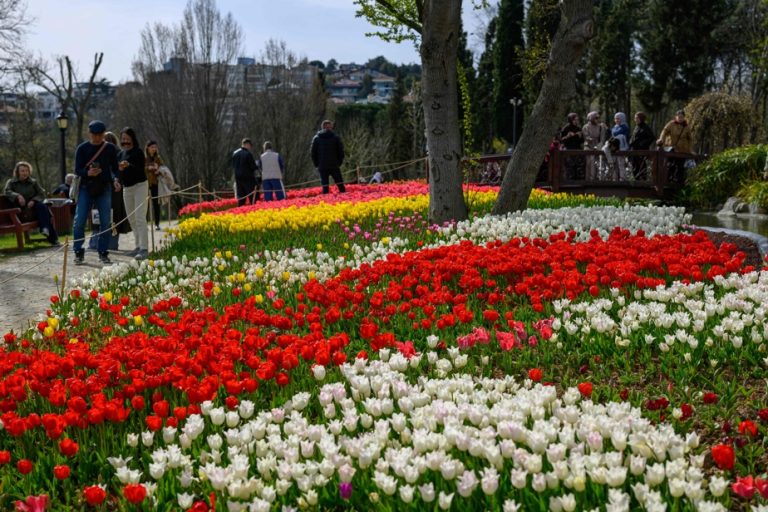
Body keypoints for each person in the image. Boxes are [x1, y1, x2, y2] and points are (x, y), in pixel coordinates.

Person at [72, 120, 121, 265]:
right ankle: (78, 251)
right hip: (86, 187)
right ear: (89, 133)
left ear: (104, 134)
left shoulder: (110, 148)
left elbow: (115, 168)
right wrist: (88, 172)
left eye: (100, 135)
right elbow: (77, 170)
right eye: (94, 135)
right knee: (79, 220)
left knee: (105, 222)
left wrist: (116, 179)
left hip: (104, 187)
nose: (97, 138)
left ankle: (103, 252)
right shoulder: (82, 149)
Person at [89, 131, 131, 252]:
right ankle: (110, 244)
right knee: (113, 219)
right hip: (114, 193)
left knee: (100, 217)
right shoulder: (121, 154)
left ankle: (95, 244)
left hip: (106, 191)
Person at [3, 161, 58, 245]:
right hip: (20, 213)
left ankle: (46, 230)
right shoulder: (11, 182)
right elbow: (7, 192)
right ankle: (51, 237)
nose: (25, 173)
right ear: (17, 172)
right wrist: (18, 196)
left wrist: (33, 200)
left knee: (42, 206)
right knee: (45, 212)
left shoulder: (33, 182)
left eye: (26, 171)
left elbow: (41, 193)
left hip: (34, 211)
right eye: (22, 171)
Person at [118, 127, 148, 260]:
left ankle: (144, 248)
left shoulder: (138, 153)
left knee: (140, 217)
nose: (125, 142)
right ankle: (137, 246)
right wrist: (117, 179)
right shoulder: (120, 155)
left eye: (127, 139)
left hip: (140, 186)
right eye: (123, 139)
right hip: (127, 188)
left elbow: (140, 171)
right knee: (132, 219)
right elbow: (117, 173)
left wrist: (128, 166)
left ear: (132, 139)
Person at [657, 109, 693, 183]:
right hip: (671, 148)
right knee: (670, 165)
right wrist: (661, 140)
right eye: (679, 117)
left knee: (680, 167)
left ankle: (678, 183)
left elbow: (690, 139)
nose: (680, 119)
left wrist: (689, 150)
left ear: (684, 117)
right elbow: (664, 131)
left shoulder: (686, 127)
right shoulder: (671, 124)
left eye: (682, 117)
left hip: (683, 150)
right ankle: (667, 181)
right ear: (676, 117)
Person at [311, 120, 346, 194]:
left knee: (325, 187)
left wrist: (317, 164)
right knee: (341, 186)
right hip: (334, 165)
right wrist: (339, 163)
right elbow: (341, 152)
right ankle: (345, 201)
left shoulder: (316, 138)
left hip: (322, 165)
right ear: (331, 127)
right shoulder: (336, 138)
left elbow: (313, 154)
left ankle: (326, 203)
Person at [232, 138, 260, 206]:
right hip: (248, 178)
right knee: (253, 198)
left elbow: (233, 165)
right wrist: (257, 166)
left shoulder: (235, 154)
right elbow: (253, 167)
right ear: (247, 144)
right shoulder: (248, 154)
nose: (250, 147)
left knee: (241, 199)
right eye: (250, 145)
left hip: (238, 179)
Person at [629, 111, 656, 180]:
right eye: (635, 118)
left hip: (641, 150)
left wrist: (642, 144)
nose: (635, 120)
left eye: (637, 118)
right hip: (634, 150)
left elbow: (652, 137)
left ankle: (643, 182)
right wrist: (630, 142)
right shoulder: (636, 127)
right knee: (634, 166)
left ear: (641, 119)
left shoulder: (645, 127)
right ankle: (636, 181)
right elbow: (634, 137)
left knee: (641, 166)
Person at [145, 141, 164, 229]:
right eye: (152, 147)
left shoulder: (158, 158)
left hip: (156, 183)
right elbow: (140, 169)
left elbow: (163, 170)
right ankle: (145, 223)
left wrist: (158, 169)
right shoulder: (144, 158)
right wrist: (148, 168)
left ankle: (157, 224)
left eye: (155, 147)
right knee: (145, 205)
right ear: (148, 148)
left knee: (156, 204)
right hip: (145, 184)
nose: (154, 149)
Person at [582, 111, 607, 180]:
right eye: (596, 118)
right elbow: (586, 137)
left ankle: (597, 179)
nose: (597, 119)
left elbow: (602, 139)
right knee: (589, 164)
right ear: (591, 118)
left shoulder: (601, 127)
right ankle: (588, 180)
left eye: (598, 118)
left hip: (598, 147)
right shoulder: (585, 127)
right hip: (588, 147)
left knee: (597, 164)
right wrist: (589, 139)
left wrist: (597, 147)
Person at [559, 113, 584, 180]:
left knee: (577, 166)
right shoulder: (566, 128)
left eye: (577, 120)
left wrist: (580, 136)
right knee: (569, 166)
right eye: (575, 120)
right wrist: (568, 136)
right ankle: (568, 181)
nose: (576, 121)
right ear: (571, 120)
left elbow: (582, 141)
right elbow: (561, 140)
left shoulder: (578, 128)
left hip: (577, 149)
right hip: (568, 149)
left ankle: (577, 181)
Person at [609, 112, 630, 179]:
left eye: (618, 119)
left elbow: (616, 133)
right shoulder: (615, 127)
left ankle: (622, 179)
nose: (616, 120)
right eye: (615, 119)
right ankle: (615, 178)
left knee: (621, 164)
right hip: (614, 148)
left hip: (622, 147)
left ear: (622, 119)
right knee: (615, 164)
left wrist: (609, 129)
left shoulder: (625, 127)